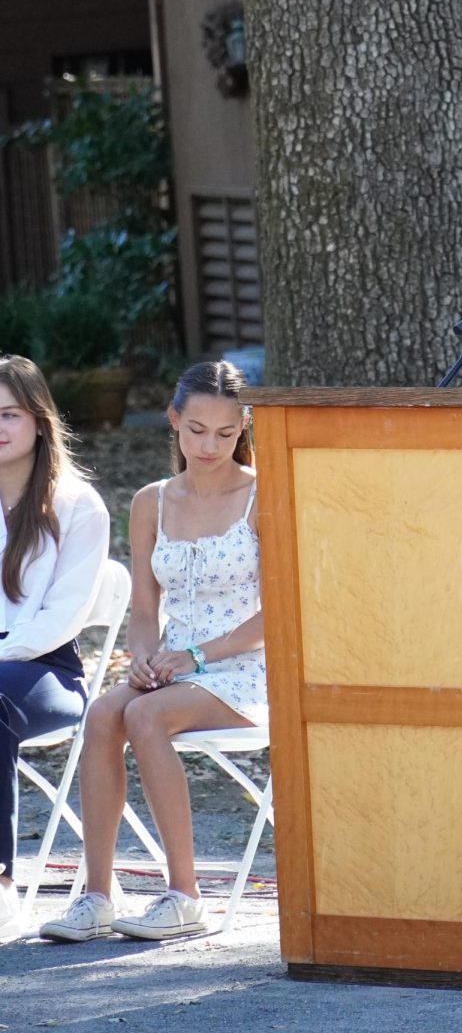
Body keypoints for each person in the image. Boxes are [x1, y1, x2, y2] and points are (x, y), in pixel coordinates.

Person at [40, 360, 265, 942]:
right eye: (196, 430)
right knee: (106, 709)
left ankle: (185, 896)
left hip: (250, 667)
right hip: (174, 669)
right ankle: (96, 896)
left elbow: (283, 615)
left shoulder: (265, 496)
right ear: (173, 420)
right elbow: (144, 610)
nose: (210, 444)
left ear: (244, 427)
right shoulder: (151, 501)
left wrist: (195, 656)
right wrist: (141, 658)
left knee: (143, 714)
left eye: (225, 432)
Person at [0, 356, 110, 942]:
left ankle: (0, 887)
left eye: (9, 414)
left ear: (39, 421)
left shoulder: (77, 505)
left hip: (46, 670)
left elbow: (63, 616)